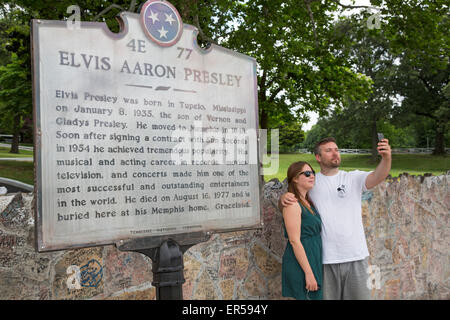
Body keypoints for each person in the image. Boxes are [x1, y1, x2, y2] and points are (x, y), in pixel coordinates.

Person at [279, 137, 391, 300]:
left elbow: (379, 175)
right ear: (318, 157)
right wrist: (282, 199)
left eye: (336, 149)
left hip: (357, 256)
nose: (335, 153)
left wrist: (387, 158)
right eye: (328, 150)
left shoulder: (353, 178)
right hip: (326, 260)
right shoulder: (312, 182)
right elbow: (295, 199)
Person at [282, 161, 323, 300]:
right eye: (306, 173)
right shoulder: (292, 204)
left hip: (313, 256)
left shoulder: (308, 202)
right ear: (294, 178)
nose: (311, 176)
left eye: (312, 173)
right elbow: (294, 241)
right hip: (302, 261)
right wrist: (309, 273)